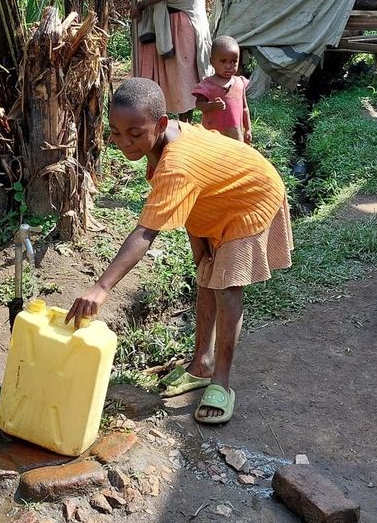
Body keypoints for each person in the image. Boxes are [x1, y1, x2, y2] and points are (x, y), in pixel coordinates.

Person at [67, 78, 292, 425]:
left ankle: (221, 382)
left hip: (250, 198)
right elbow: (193, 194)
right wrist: (201, 239)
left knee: (227, 288)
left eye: (134, 133)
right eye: (115, 132)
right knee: (206, 275)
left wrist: (102, 287)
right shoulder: (164, 138)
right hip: (217, 199)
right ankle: (201, 363)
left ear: (158, 124)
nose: (125, 142)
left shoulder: (176, 165)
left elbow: (146, 232)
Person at [193, 36, 252, 143]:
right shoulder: (207, 84)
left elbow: (244, 108)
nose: (228, 66)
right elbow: (199, 105)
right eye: (223, 61)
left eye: (233, 61)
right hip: (213, 133)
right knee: (214, 156)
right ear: (212, 61)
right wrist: (212, 105)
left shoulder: (240, 82)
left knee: (234, 156)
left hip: (235, 133)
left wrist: (248, 129)